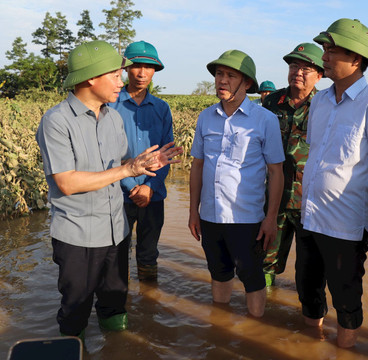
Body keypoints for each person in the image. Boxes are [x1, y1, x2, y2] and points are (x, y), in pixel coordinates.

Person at [35, 40, 182, 340]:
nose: (122, 80)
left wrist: (144, 164)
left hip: (116, 229)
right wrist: (129, 171)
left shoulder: (112, 117)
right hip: (79, 236)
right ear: (91, 78)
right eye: (116, 74)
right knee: (75, 309)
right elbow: (67, 182)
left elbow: (120, 162)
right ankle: (75, 348)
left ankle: (119, 348)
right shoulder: (57, 121)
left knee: (115, 305)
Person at [299, 18, 368, 348]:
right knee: (308, 287)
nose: (324, 57)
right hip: (311, 216)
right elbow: (317, 154)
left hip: (346, 224)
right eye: (325, 50)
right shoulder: (320, 100)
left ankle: (344, 350)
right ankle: (310, 345)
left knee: (346, 296)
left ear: (356, 59)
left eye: (332, 51)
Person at [188, 50, 284, 317]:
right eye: (219, 74)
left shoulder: (265, 120)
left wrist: (271, 219)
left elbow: (276, 172)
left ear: (248, 83)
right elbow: (197, 166)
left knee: (252, 279)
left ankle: (255, 335)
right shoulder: (206, 117)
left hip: (247, 217)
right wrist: (193, 211)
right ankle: (220, 330)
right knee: (218, 274)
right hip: (210, 215)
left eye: (231, 75)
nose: (222, 80)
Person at [109, 41, 173, 281]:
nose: (142, 72)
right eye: (136, 66)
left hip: (153, 195)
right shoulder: (110, 105)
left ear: (155, 71)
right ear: (126, 69)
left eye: (149, 67)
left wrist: (148, 187)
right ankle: (118, 306)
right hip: (117, 195)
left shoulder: (161, 108)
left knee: (148, 255)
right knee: (116, 255)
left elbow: (167, 155)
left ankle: (148, 305)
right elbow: (105, 156)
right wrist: (131, 186)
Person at [261, 43, 323, 287]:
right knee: (265, 260)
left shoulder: (326, 105)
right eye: (294, 66)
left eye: (306, 68)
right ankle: (261, 313)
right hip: (273, 199)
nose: (298, 72)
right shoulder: (272, 102)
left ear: (320, 75)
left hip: (310, 202)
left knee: (310, 269)